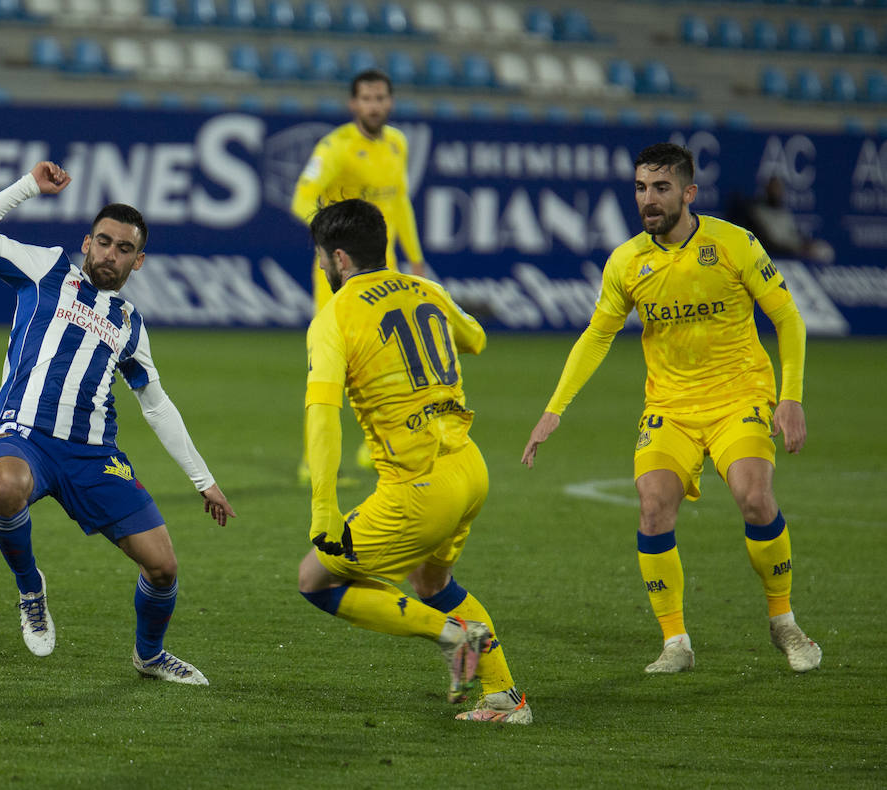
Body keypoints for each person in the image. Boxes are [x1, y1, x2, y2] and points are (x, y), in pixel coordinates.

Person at [522, 143, 820, 675]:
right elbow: (596, 336)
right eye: (640, 188)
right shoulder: (627, 261)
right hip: (670, 407)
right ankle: (675, 642)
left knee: (755, 499)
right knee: (653, 506)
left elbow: (788, 318)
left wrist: (791, 396)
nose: (648, 199)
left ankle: (784, 621)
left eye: (660, 188)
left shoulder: (734, 243)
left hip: (738, 397)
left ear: (688, 193)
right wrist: (554, 409)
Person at [0, 161, 235, 686]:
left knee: (164, 567)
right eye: (104, 242)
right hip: (25, 436)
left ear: (139, 261)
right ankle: (29, 587)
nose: (111, 254)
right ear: (87, 241)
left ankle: (149, 656)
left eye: (124, 248)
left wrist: (205, 481)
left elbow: (156, 405)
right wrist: (29, 188)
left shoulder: (130, 324)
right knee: (3, 486)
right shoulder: (45, 269)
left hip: (92, 455)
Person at [296, 198, 532, 724]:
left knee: (316, 578)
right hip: (469, 471)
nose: (319, 268)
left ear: (338, 258)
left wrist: (323, 507)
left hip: (417, 488)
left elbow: (322, 418)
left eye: (319, 258)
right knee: (432, 584)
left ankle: (450, 635)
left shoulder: (333, 317)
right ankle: (503, 699)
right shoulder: (428, 290)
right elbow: (476, 338)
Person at [291, 69, 428, 480]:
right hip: (339, 275)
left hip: (385, 271)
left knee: (387, 357)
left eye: (381, 97)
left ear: (390, 102)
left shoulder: (398, 144)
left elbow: (400, 201)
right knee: (330, 363)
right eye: (366, 98)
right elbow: (301, 198)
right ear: (354, 105)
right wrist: (334, 238)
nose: (374, 105)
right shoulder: (335, 148)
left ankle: (376, 446)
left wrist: (415, 257)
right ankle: (313, 460)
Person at [742, 176, 835, 264]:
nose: (776, 192)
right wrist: (796, 250)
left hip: (796, 248)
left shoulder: (784, 212)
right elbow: (769, 241)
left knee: (825, 250)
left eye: (778, 189)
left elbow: (795, 235)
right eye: (773, 188)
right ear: (767, 190)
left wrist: (805, 246)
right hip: (779, 252)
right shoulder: (758, 211)